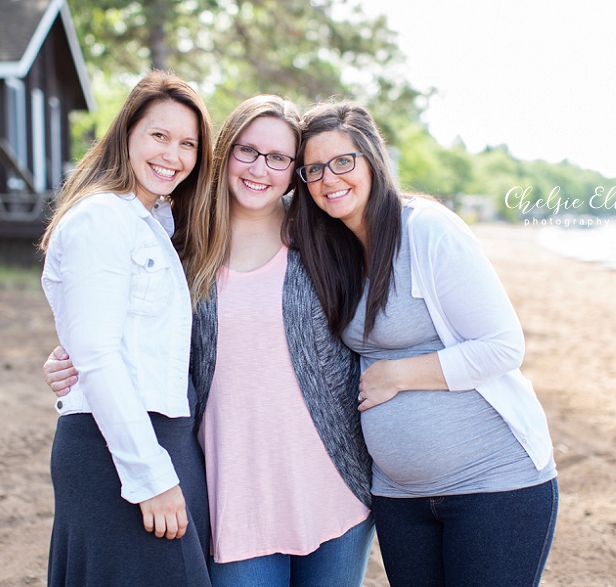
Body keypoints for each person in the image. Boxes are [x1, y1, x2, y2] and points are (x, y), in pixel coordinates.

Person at [43, 95, 375, 587]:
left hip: (333, 486)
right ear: (222, 155)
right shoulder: (179, 245)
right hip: (233, 495)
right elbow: (120, 331)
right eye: (246, 151)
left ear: (294, 171)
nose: (260, 168)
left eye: (280, 158)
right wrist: (68, 361)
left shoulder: (325, 239)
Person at [286, 100, 559, 586]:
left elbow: (502, 346)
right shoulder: (336, 249)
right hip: (398, 499)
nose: (330, 179)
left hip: (492, 484)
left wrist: (398, 375)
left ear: (372, 159)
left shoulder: (426, 229)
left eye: (343, 162)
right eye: (313, 169)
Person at [38, 70, 214, 587]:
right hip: (117, 450)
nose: (173, 155)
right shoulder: (100, 219)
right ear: (127, 135)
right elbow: (96, 356)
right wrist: (150, 477)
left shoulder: (156, 223)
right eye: (159, 135)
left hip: (161, 438)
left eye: (188, 144)